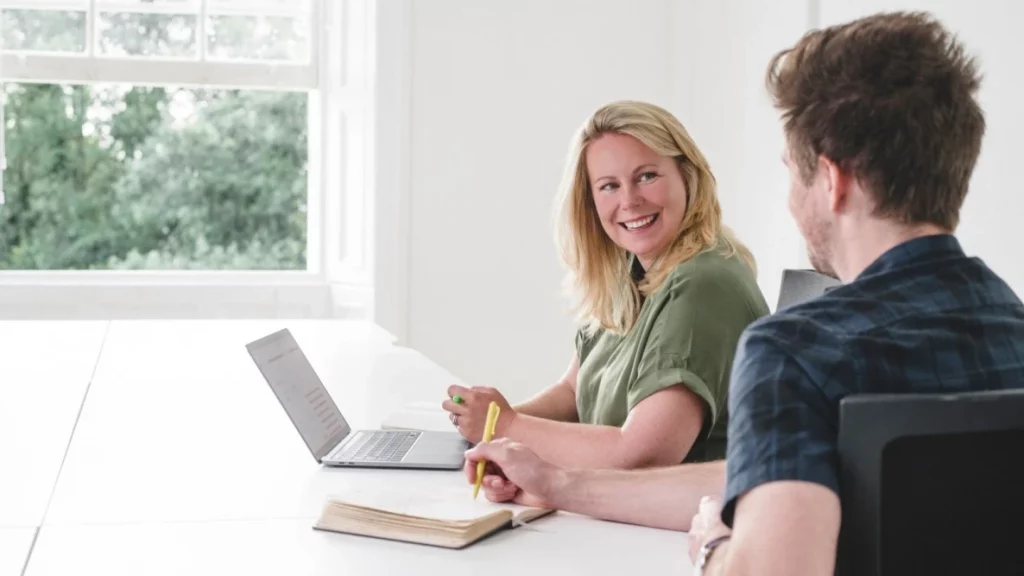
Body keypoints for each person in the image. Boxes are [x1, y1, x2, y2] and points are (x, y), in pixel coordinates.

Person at [464, 10, 1024, 574]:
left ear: (831, 181)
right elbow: (761, 476)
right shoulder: (1012, 328)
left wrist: (715, 545)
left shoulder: (792, 353)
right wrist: (562, 485)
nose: (790, 198)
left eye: (792, 173)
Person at [442, 100, 769, 474]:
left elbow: (643, 453)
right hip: (616, 508)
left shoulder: (702, 284)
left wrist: (508, 427)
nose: (630, 201)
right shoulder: (632, 272)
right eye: (609, 186)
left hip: (679, 524)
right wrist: (497, 440)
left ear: (687, 175)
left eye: (647, 176)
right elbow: (573, 393)